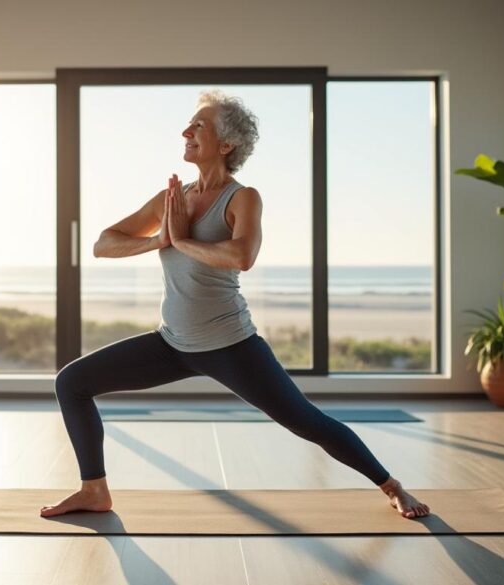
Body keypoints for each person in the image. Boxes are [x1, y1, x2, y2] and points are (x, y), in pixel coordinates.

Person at [40, 90, 429, 520]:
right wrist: (159, 239)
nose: (186, 132)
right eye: (189, 125)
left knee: (306, 422)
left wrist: (184, 240)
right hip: (172, 343)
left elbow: (242, 256)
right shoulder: (172, 199)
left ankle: (391, 486)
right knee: (71, 382)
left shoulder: (242, 198)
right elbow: (102, 243)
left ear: (226, 145)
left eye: (199, 126)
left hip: (231, 345)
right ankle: (94, 491)